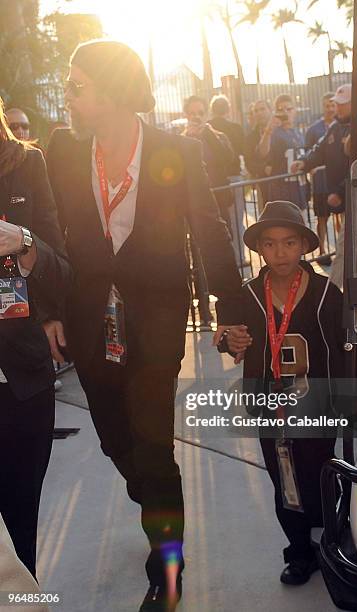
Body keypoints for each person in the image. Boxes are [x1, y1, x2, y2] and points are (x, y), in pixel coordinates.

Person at [46, 40, 243, 611]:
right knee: (116, 441)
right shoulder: (61, 152)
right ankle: (156, 508)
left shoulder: (175, 150)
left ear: (108, 89)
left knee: (153, 444)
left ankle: (168, 562)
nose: (68, 94)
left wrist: (232, 309)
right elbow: (50, 236)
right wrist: (51, 310)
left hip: (156, 319)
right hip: (88, 319)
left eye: (76, 84)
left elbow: (208, 230)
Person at [217, 200, 348, 586]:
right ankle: (299, 552)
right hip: (269, 406)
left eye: (289, 242)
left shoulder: (326, 292)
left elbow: (343, 347)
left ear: (304, 246)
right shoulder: (248, 295)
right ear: (259, 248)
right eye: (271, 244)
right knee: (283, 479)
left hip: (315, 405)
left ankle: (333, 544)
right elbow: (230, 340)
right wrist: (230, 340)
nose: (280, 252)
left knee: (322, 473)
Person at [0, 97, 71, 578]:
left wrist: (23, 241)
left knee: (20, 521)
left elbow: (60, 268)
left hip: (19, 375)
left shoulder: (26, 163)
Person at [291, 84, 352, 287]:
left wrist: (340, 191)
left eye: (342, 104)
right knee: (354, 247)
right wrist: (305, 162)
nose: (337, 108)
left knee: (347, 248)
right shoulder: (336, 126)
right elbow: (319, 149)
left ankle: (333, 292)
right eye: (337, 104)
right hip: (347, 196)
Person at [182, 95, 235, 230]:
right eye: (192, 113)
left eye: (200, 113)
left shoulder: (219, 136)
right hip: (194, 204)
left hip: (218, 200)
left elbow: (228, 159)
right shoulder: (180, 140)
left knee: (225, 238)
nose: (196, 117)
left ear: (207, 114)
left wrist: (209, 134)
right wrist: (189, 138)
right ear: (186, 115)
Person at [208, 94, 247, 265]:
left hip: (216, 179)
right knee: (237, 219)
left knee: (221, 219)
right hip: (234, 176)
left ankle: (226, 258)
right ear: (228, 109)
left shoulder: (208, 128)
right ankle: (239, 257)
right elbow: (242, 150)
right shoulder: (236, 128)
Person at [257, 94, 308, 208]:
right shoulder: (274, 133)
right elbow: (262, 152)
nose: (285, 113)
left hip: (299, 188)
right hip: (281, 191)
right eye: (281, 110)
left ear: (295, 111)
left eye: (289, 109)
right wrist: (268, 130)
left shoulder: (298, 133)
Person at [305, 93, 336, 262]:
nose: (330, 109)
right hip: (321, 183)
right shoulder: (313, 129)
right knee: (322, 217)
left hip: (338, 181)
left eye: (333, 105)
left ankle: (343, 249)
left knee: (344, 218)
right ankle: (322, 251)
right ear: (323, 106)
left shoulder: (343, 126)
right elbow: (309, 152)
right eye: (327, 105)